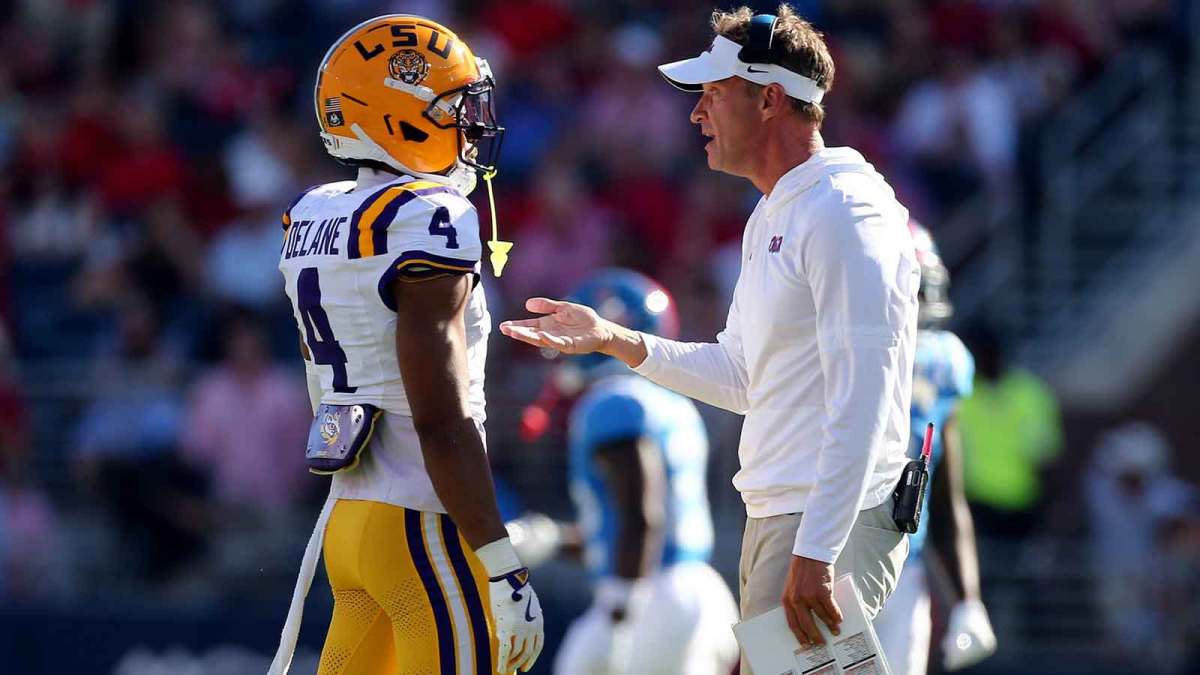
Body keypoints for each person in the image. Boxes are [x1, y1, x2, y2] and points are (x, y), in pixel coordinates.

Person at [500, 5, 916, 669]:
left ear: (771, 99)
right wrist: (615, 339)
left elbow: (863, 395)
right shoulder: (782, 209)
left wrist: (818, 550)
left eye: (714, 95)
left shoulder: (844, 208)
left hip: (823, 525)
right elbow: (742, 376)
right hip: (788, 518)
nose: (697, 114)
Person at [269, 16, 544, 675]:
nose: (473, 127)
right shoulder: (429, 215)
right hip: (426, 520)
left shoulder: (316, 212)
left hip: (354, 521)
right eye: (455, 109)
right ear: (399, 114)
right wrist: (501, 562)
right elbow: (440, 419)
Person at [506, 269, 739, 675]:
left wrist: (621, 604)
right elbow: (632, 522)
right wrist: (557, 539)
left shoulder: (614, 403)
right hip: (691, 592)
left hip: (653, 599)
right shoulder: (666, 402)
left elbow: (642, 514)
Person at [873, 221, 996, 675]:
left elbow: (944, 494)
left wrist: (968, 601)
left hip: (902, 566)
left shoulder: (943, 362)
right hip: (821, 558)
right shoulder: (823, 352)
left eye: (917, 290)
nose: (915, 304)